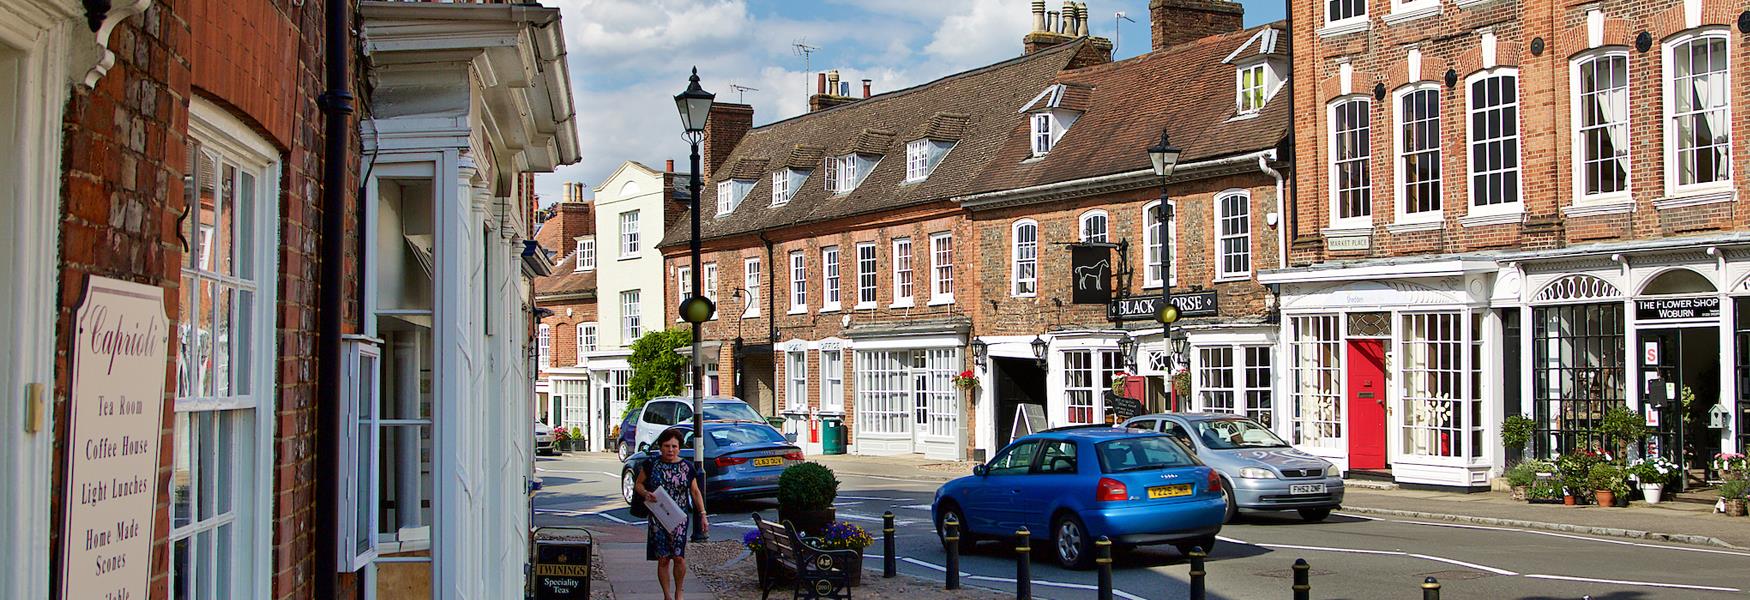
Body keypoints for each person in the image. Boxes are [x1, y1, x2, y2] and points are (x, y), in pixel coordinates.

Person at [635, 427, 708, 600]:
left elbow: (695, 492)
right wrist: (646, 493)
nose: (670, 450)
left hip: (679, 518)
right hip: (658, 516)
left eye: (674, 446)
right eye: (667, 446)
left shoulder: (687, 467)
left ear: (679, 448)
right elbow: (639, 484)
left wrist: (703, 514)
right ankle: (667, 595)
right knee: (663, 558)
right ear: (660, 447)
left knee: (679, 557)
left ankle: (679, 591)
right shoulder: (651, 464)